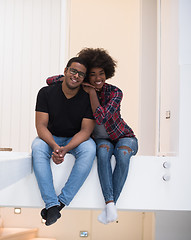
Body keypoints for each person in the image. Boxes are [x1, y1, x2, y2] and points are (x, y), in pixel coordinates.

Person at [46, 48, 138, 225]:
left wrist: (92, 93)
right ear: (87, 76)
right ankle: (110, 205)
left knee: (123, 155)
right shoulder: (81, 87)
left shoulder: (115, 92)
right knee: (102, 153)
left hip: (123, 136)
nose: (97, 78)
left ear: (107, 73)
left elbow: (101, 117)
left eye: (101, 73)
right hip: (102, 139)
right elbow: (50, 81)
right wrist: (75, 77)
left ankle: (110, 205)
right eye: (93, 74)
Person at [32, 57, 96, 226]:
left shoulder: (87, 98)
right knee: (37, 146)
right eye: (73, 71)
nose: (76, 76)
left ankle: (59, 203)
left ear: (84, 78)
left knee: (90, 149)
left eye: (81, 74)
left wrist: (65, 149)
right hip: (50, 137)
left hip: (75, 140)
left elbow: (86, 131)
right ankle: (51, 203)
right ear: (66, 71)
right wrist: (54, 146)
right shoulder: (45, 93)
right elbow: (41, 126)